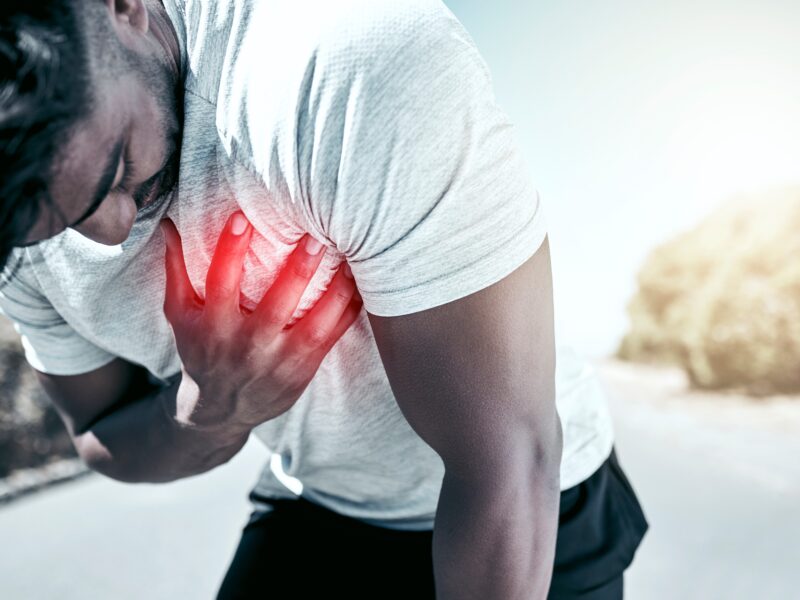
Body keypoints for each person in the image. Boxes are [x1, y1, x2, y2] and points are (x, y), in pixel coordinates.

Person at [0, 1, 648, 598]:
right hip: (322, 501)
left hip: (529, 501)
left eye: (115, 168)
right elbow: (95, 431)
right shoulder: (14, 223)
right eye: (58, 223)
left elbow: (506, 454)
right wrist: (206, 413)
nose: (110, 233)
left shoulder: (352, 68)